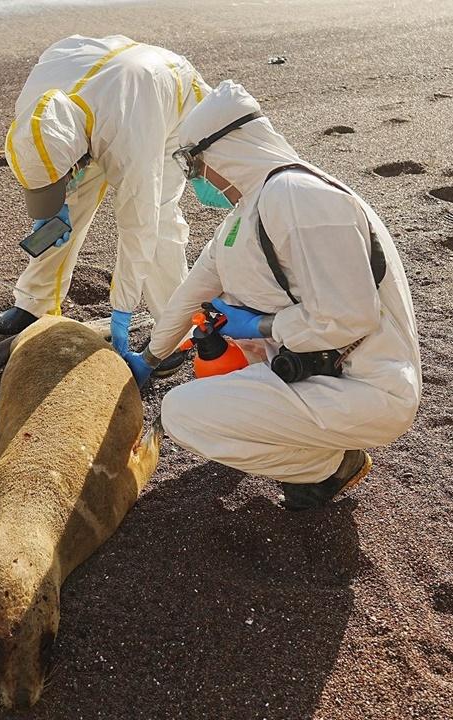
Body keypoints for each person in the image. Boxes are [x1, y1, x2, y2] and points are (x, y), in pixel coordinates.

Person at [122, 81, 422, 511]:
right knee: (216, 373)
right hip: (318, 369)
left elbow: (349, 317)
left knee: (182, 414)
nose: (198, 179)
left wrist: (261, 325)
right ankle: (316, 446)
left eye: (196, 164)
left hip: (370, 387)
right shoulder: (248, 213)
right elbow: (191, 294)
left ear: (226, 151)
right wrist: (148, 358)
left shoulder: (300, 198)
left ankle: (329, 465)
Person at [0, 35, 210, 375]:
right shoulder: (34, 112)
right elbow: (47, 156)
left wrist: (122, 307)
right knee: (71, 200)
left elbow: (139, 225)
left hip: (165, 106)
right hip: (104, 96)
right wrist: (51, 208)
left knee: (159, 219)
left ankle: (173, 331)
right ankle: (35, 303)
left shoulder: (130, 137)